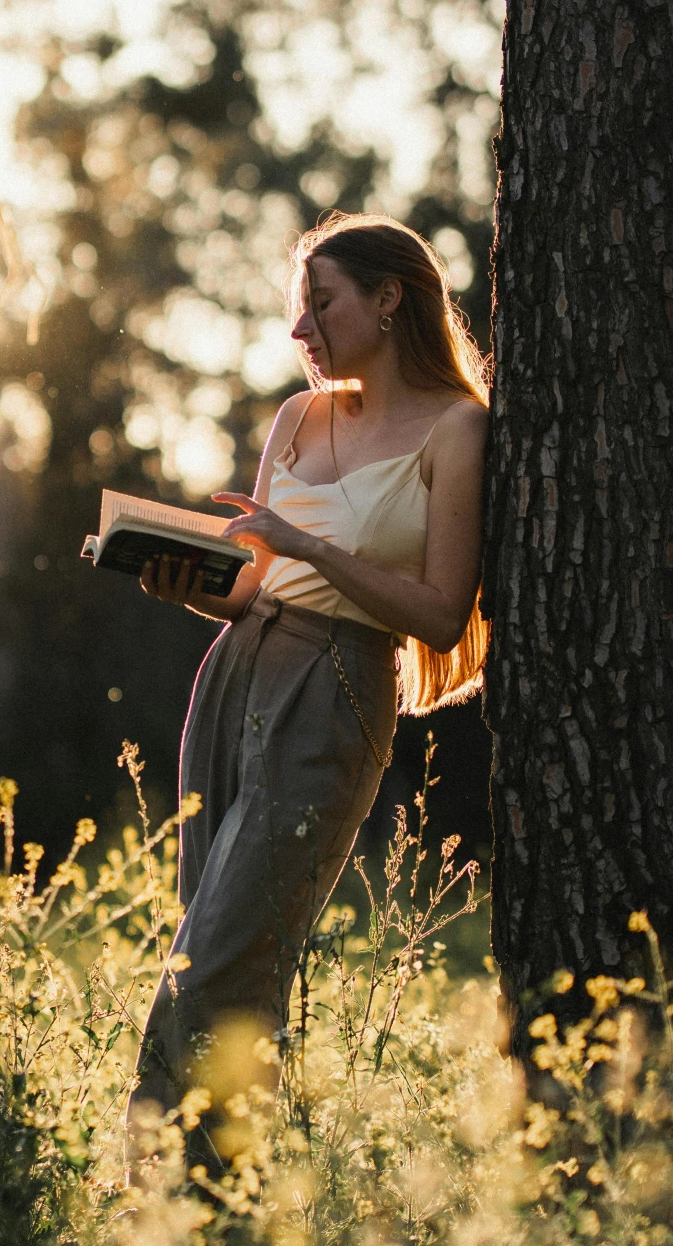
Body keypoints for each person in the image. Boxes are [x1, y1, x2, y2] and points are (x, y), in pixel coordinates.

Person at [127, 212, 489, 1179]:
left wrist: (312, 548)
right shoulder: (298, 416)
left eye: (318, 304)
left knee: (225, 957)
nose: (300, 331)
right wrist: (187, 581)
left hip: (337, 683)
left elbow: (443, 613)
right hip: (238, 667)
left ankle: (196, 1191)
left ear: (387, 298)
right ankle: (190, 1195)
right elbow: (252, 583)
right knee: (200, 935)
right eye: (298, 310)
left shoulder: (459, 430)